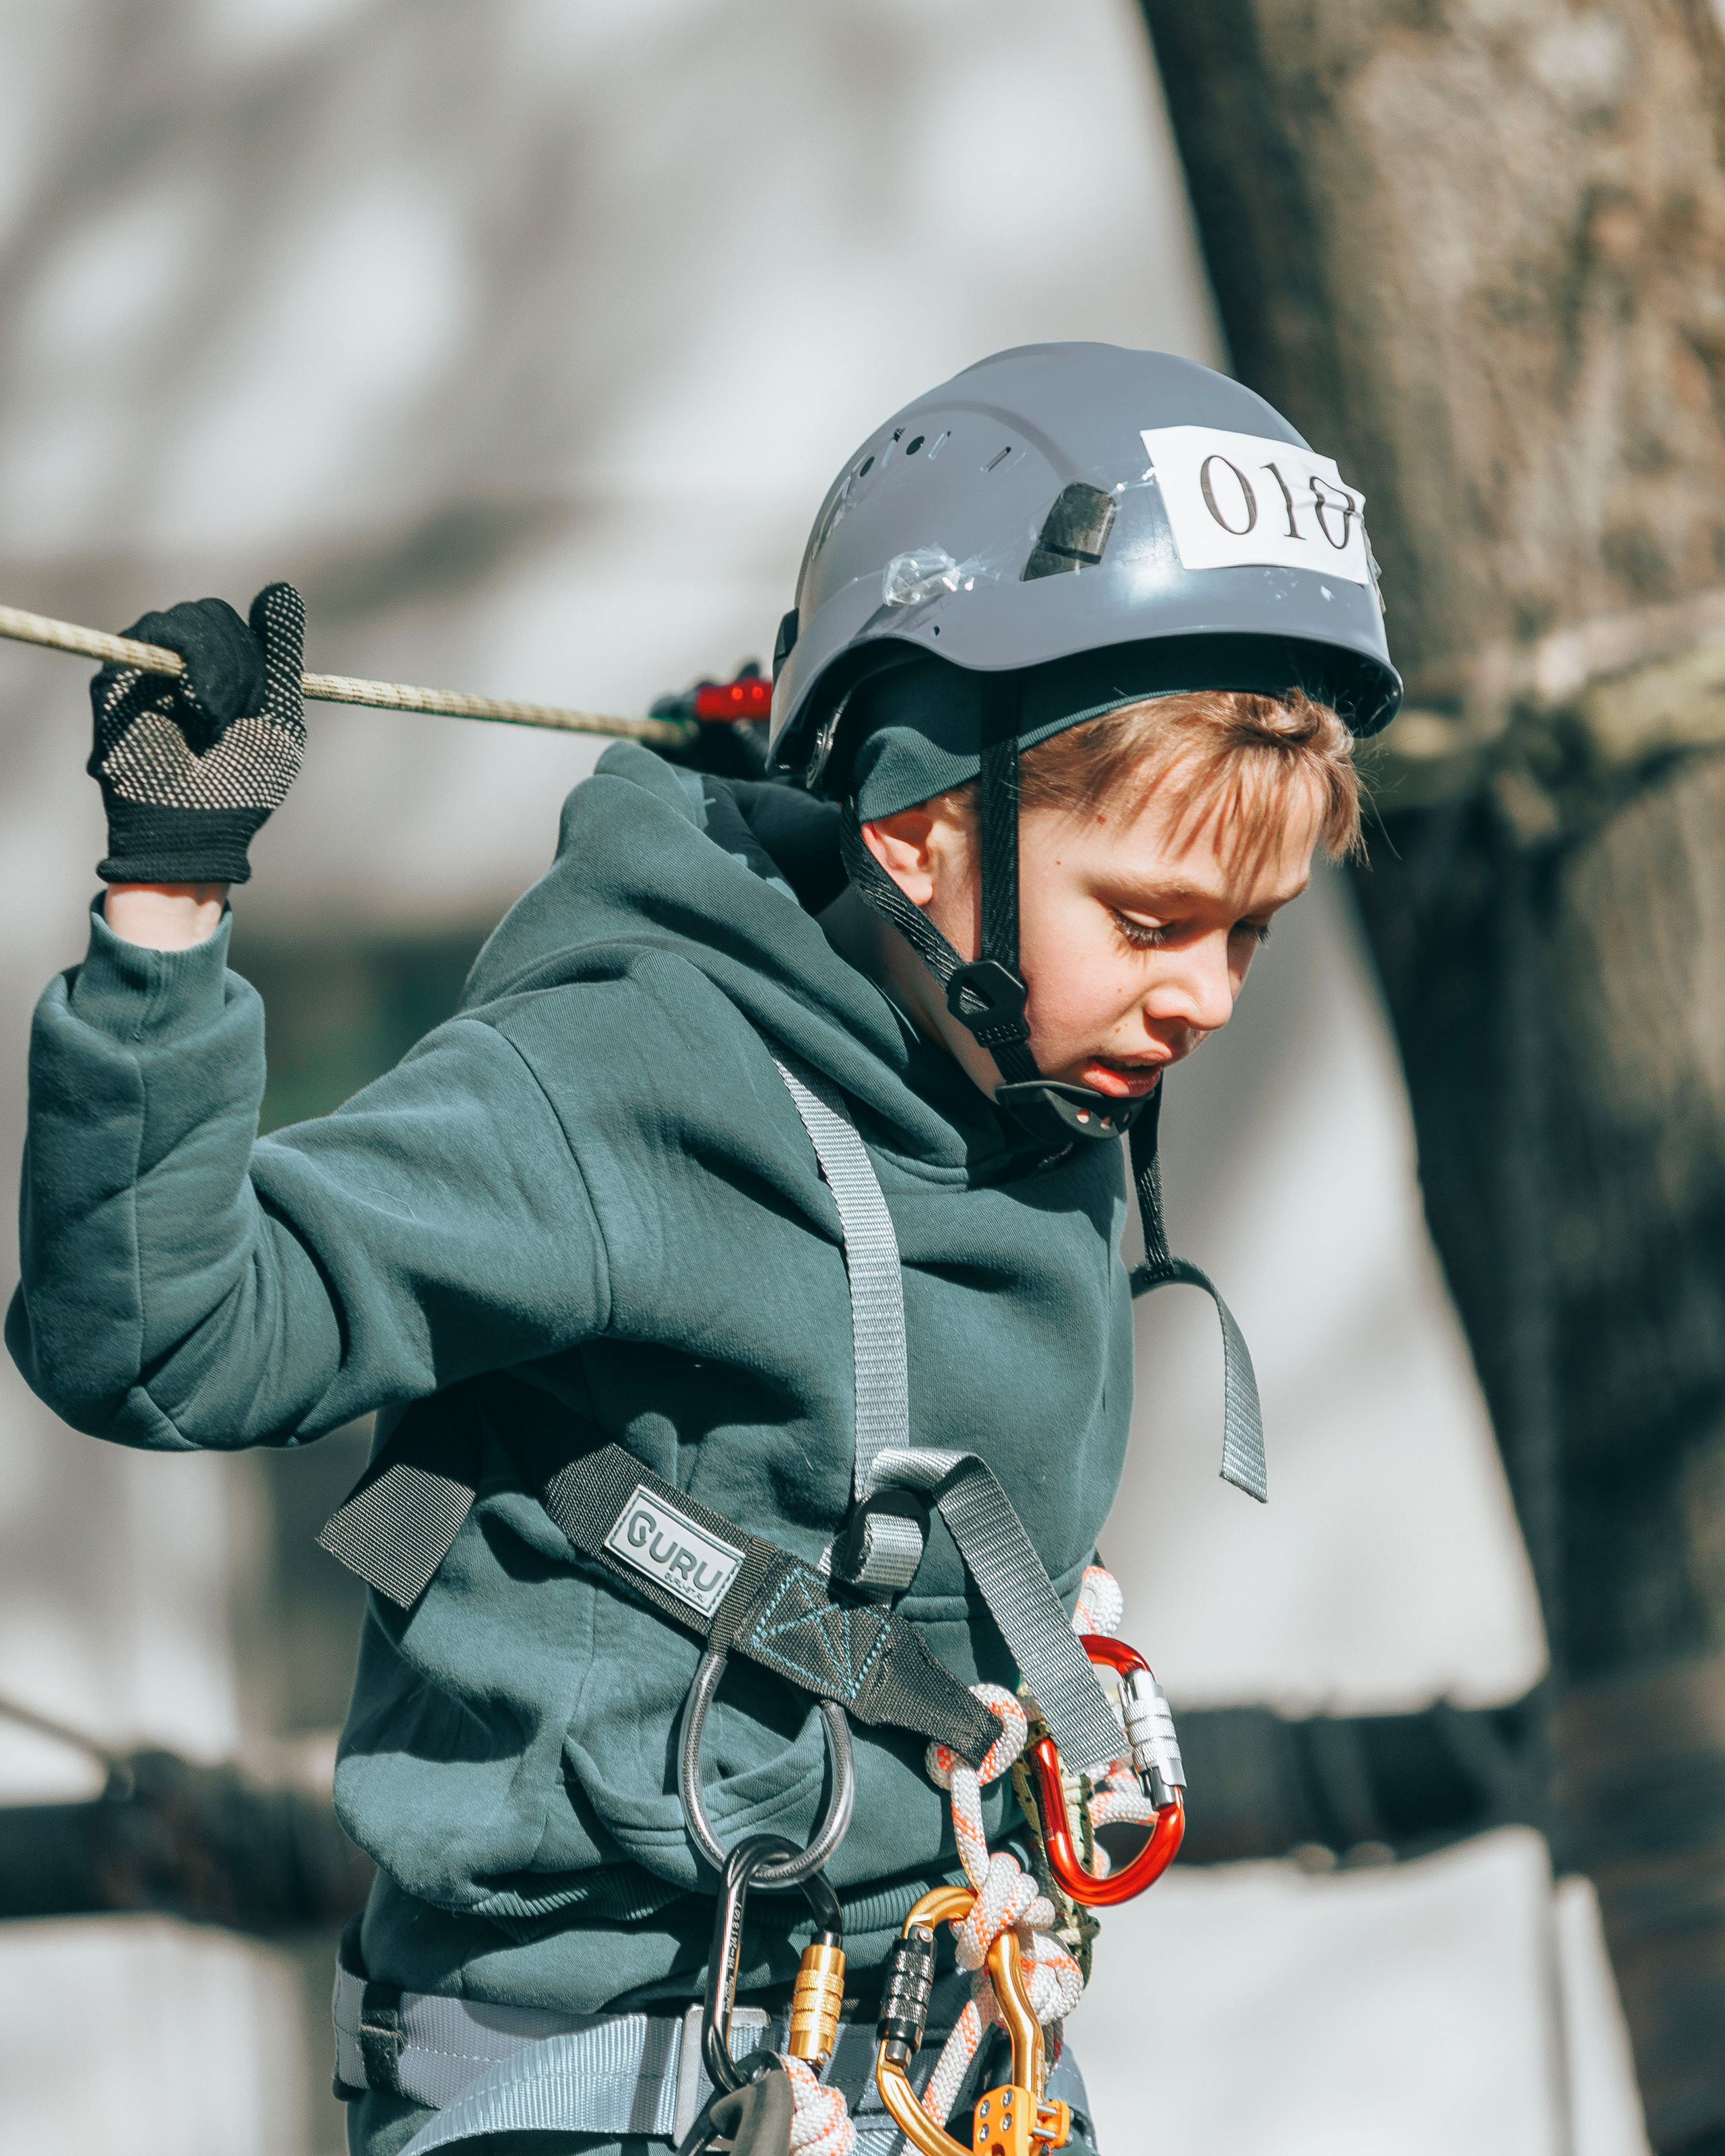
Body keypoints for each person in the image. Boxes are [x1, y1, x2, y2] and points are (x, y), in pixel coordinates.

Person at [6, 343, 1398, 2156]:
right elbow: (163, 1336)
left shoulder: (1031, 1071)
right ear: (918, 835)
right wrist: (168, 905)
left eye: (1251, 934)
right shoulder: (638, 1077)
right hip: (611, 2085)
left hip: (945, 2059)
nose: (1205, 996)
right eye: (1151, 921)